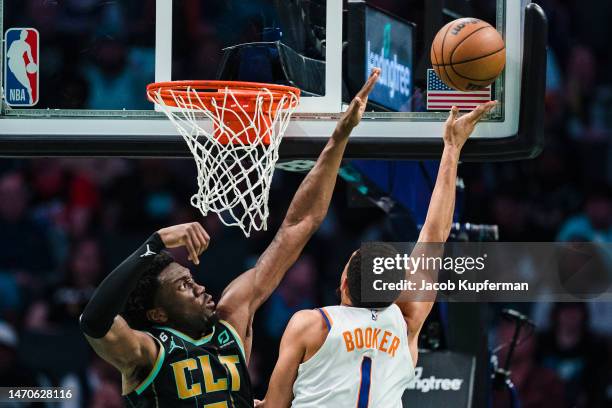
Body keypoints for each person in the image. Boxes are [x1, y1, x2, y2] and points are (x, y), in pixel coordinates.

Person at [79, 68, 381, 407]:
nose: (199, 287)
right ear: (158, 314)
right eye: (183, 287)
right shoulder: (147, 351)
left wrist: (339, 137)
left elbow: (299, 225)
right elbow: (93, 322)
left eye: (191, 280)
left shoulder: (231, 319)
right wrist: (156, 242)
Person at [256, 101, 497, 408]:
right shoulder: (407, 319)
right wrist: (452, 146)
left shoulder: (309, 324)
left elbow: (275, 406)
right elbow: (435, 235)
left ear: (344, 283)